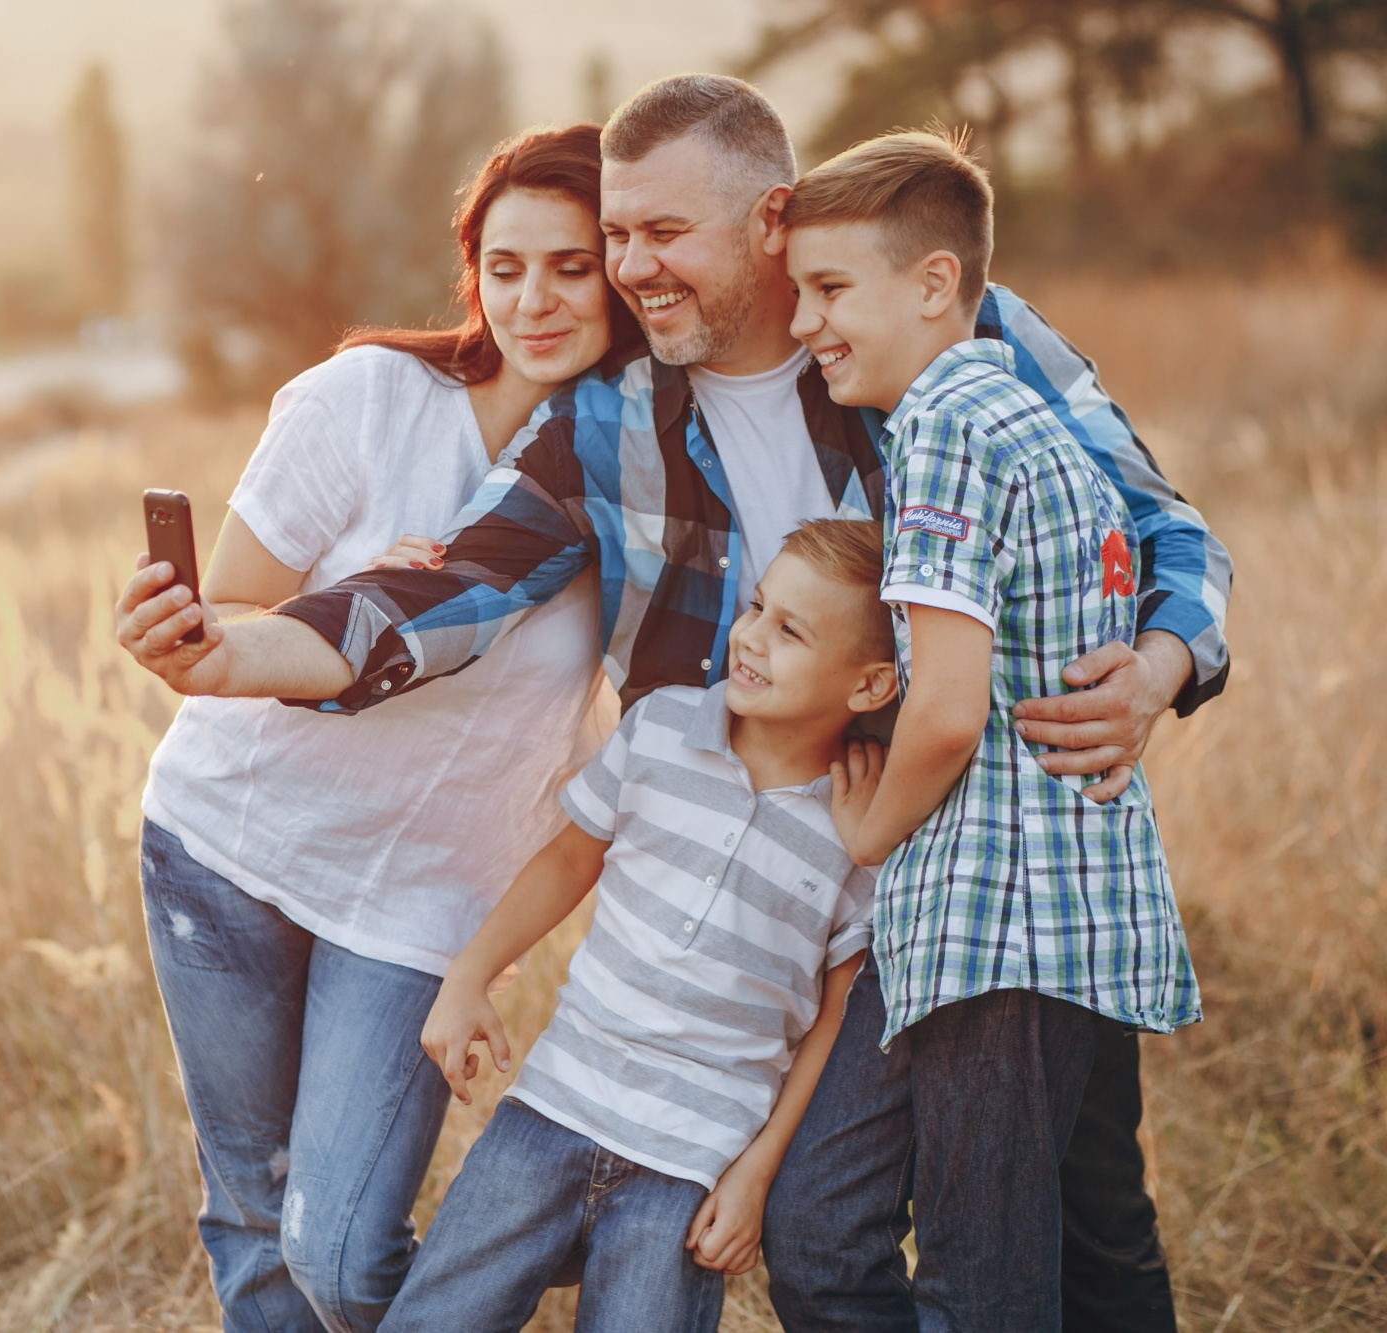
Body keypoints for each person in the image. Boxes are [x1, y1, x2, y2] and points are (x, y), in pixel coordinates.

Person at [117, 75, 1225, 1330]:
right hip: (781, 881)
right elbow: (447, 592)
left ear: (768, 219)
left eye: (659, 235)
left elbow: (1158, 518)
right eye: (618, 237)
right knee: (822, 1238)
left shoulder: (941, 331)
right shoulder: (608, 414)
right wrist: (236, 655)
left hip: (981, 849)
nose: (629, 268)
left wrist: (1161, 663)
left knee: (1083, 1214)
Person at [134, 124, 645, 1333]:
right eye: (506, 264)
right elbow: (236, 601)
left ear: (620, 274)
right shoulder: (364, 397)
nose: (535, 298)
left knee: (347, 1248)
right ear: (471, 268)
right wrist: (201, 634)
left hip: (426, 894)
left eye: (572, 267)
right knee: (252, 1211)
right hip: (231, 846)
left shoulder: (630, 467)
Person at [764, 130, 1199, 1331]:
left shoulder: (946, 432)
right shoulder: (1012, 414)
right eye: (798, 291)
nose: (804, 321)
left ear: (935, 282)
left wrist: (864, 827)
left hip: (1004, 910)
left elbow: (948, 711)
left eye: (830, 289)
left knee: (980, 1287)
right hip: (999, 910)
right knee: (830, 1233)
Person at [379, 521, 896, 1333]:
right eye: (758, 606)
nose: (751, 637)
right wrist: (469, 973)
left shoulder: (860, 830)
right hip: (554, 1106)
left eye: (790, 630)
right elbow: (566, 862)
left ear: (868, 687)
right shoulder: (659, 729)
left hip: (691, 1165)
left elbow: (834, 1015)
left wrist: (756, 1171)